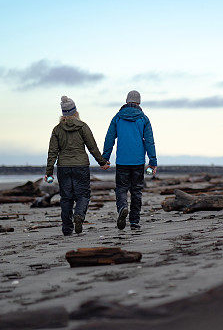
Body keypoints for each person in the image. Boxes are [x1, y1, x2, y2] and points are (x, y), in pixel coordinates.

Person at [46, 96, 110, 236]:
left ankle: (67, 229)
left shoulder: (57, 130)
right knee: (83, 195)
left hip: (63, 167)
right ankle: (79, 215)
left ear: (63, 113)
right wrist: (102, 162)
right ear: (75, 112)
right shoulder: (82, 127)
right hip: (81, 166)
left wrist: (49, 171)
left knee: (66, 197)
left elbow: (52, 152)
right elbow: (92, 147)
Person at [102, 90, 157, 231]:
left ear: (126, 101)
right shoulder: (144, 119)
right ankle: (134, 221)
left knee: (121, 189)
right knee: (136, 191)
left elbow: (109, 138)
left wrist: (105, 158)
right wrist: (153, 162)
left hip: (122, 161)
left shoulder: (117, 118)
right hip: (138, 161)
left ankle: (122, 207)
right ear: (139, 102)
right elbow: (149, 142)